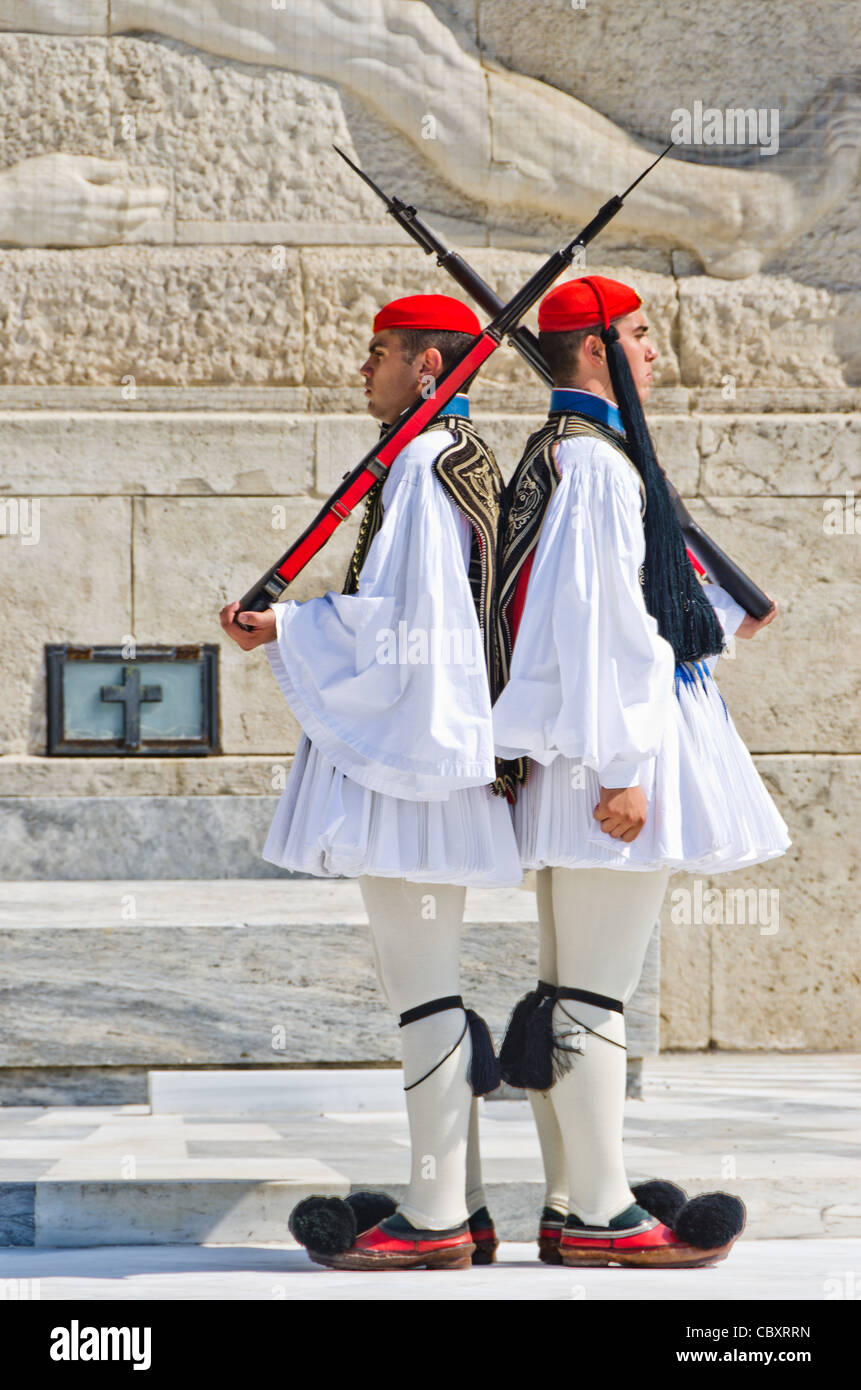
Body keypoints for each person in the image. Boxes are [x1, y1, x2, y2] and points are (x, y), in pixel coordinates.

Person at [491, 274, 790, 1269]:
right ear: (595, 351)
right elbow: (603, 630)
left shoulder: (577, 454)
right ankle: (605, 1212)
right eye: (642, 337)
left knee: (569, 988)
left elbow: (638, 600)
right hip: (607, 758)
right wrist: (622, 769)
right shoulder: (599, 470)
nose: (657, 354)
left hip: (586, 753)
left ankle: (572, 1196)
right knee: (594, 994)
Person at [220, 293, 519, 1270]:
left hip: (418, 772)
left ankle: (435, 1219)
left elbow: (412, 625)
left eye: (380, 353)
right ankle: (456, 1204)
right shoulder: (441, 462)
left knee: (424, 991)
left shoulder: (429, 469)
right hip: (430, 762)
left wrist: (292, 625)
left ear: (431, 369)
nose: (364, 370)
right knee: (425, 984)